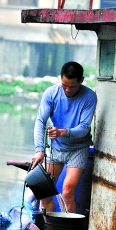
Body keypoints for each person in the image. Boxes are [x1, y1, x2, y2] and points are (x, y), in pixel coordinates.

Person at [31, 61, 97, 213]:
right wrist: (39, 150)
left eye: (72, 87)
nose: (67, 90)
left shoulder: (89, 97)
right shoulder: (51, 93)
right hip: (56, 148)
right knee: (44, 194)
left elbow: (84, 128)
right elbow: (40, 121)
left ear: (81, 80)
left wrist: (62, 132)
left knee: (67, 192)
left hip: (78, 149)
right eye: (64, 85)